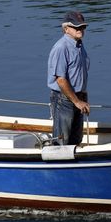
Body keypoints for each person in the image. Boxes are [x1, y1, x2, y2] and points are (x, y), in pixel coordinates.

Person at [47, 11, 90, 145]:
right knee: (61, 141)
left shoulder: (79, 45)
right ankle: (58, 163)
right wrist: (76, 101)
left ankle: (76, 164)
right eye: (76, 27)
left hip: (78, 97)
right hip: (64, 99)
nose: (80, 30)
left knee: (76, 139)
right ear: (66, 29)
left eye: (82, 27)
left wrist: (82, 95)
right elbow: (60, 79)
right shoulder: (61, 47)